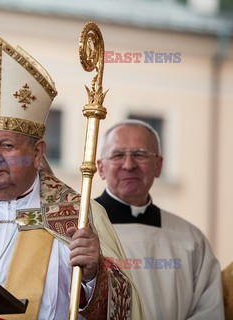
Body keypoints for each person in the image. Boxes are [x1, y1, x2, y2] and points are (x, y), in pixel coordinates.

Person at [0, 35, 144, 319]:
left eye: (6, 145)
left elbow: (126, 308)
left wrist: (94, 275)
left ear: (37, 151)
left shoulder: (80, 215)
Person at [96, 119, 224, 319]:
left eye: (140, 154)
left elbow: (209, 310)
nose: (129, 165)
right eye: (118, 155)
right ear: (101, 168)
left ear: (158, 165)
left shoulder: (189, 238)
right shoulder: (79, 227)